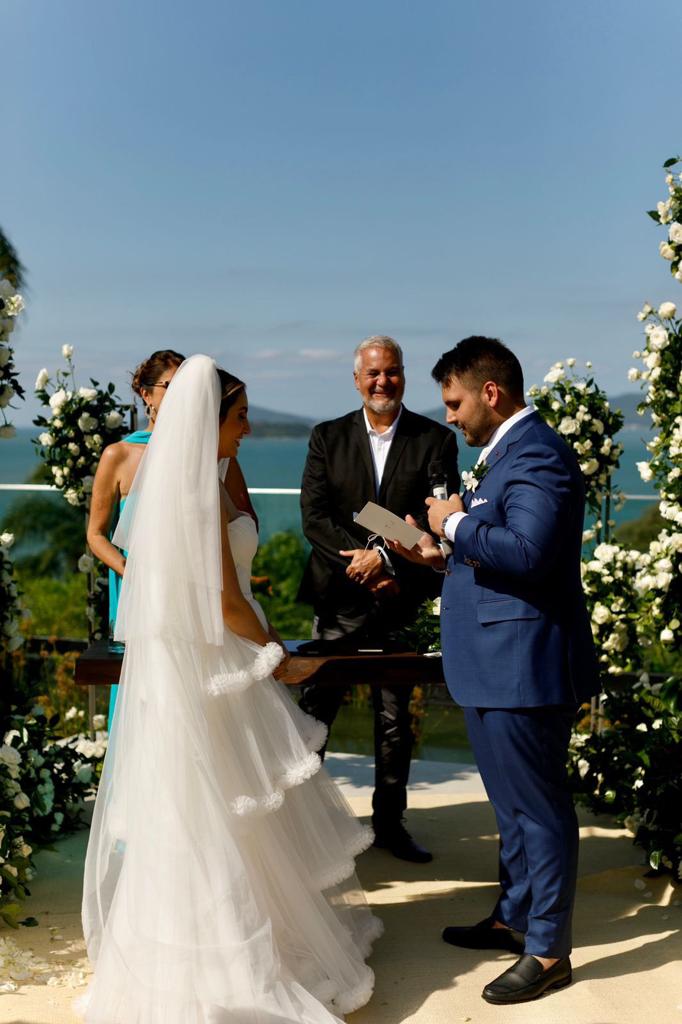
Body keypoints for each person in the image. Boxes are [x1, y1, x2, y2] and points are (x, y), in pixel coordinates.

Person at [79, 355, 382, 1024]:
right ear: (210, 419)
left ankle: (204, 946)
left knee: (208, 811)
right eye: (241, 416)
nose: (247, 429)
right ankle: (228, 965)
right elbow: (223, 600)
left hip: (205, 663)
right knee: (220, 812)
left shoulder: (186, 483)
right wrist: (276, 656)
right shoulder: (197, 492)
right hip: (219, 664)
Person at [389, 336, 599, 1005]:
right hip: (490, 663)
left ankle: (547, 950)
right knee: (511, 810)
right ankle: (513, 915)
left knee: (537, 811)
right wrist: (437, 550)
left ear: (489, 392)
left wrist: (452, 525)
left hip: (524, 664)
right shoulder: (503, 453)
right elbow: (497, 547)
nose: (447, 416)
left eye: (453, 402)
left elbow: (532, 552)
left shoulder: (537, 452)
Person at [298, 335, 459, 863]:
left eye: (391, 372)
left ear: (403, 375)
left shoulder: (435, 439)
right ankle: (303, 822)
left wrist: (387, 561)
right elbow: (315, 517)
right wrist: (363, 563)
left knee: (395, 719)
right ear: (356, 380)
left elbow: (437, 517)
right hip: (339, 595)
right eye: (372, 374)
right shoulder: (327, 436)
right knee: (316, 707)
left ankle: (390, 824)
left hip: (401, 594)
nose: (382, 381)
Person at [87, 349, 256, 727]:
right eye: (170, 386)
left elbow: (241, 521)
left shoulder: (216, 454)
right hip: (141, 586)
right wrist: (134, 572)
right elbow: (96, 535)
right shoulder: (119, 454)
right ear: (146, 394)